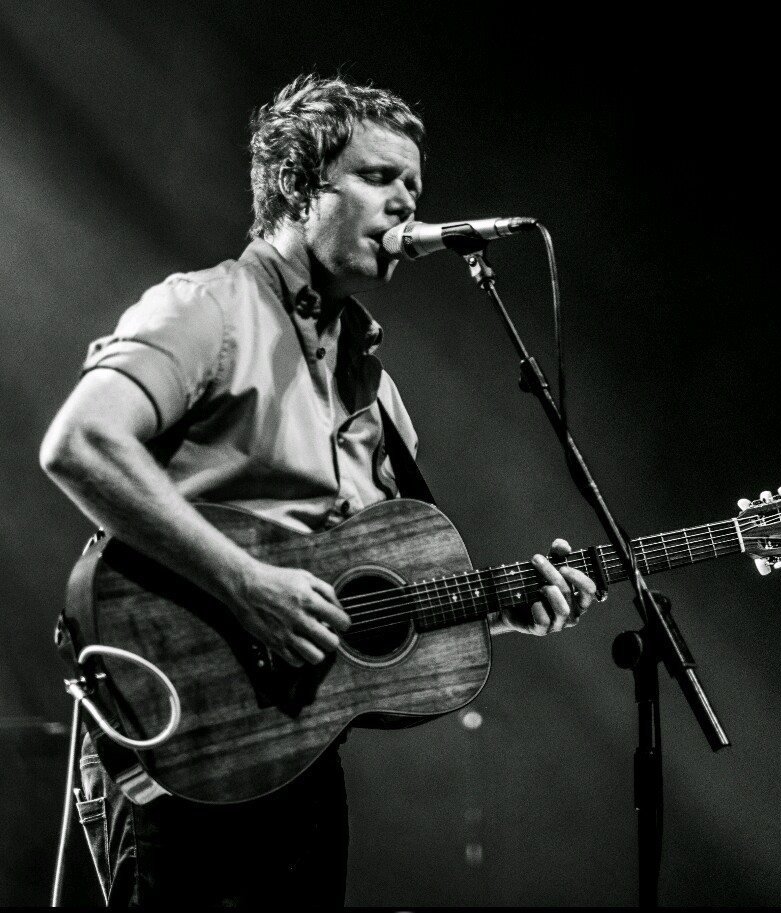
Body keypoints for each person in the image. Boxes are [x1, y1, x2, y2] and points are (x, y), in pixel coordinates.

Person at [40, 73, 598, 907]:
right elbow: (80, 443)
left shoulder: (375, 389)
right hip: (176, 731)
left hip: (298, 753)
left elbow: (361, 598)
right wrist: (247, 584)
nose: (405, 203)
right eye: (378, 177)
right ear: (298, 187)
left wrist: (500, 609)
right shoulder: (206, 309)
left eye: (414, 187)